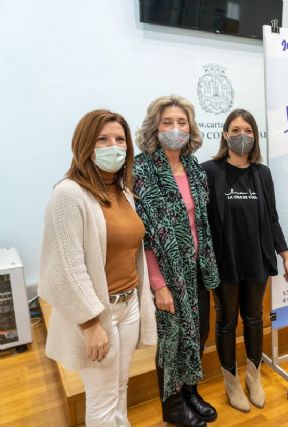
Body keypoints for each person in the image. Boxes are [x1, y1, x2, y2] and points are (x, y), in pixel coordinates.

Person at [39, 110, 157, 426]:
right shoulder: (69, 194)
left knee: (119, 387)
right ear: (85, 145)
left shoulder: (123, 193)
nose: (113, 146)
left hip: (128, 305)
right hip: (97, 315)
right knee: (102, 397)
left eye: (120, 139)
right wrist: (90, 324)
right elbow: (65, 267)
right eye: (103, 139)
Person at [201, 109, 288, 412]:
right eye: (236, 129)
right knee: (227, 322)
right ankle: (231, 382)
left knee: (254, 318)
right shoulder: (209, 171)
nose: (243, 135)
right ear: (225, 134)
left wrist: (285, 254)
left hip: (257, 259)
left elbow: (272, 218)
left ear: (255, 136)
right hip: (225, 261)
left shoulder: (261, 173)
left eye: (249, 130)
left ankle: (254, 377)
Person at [134, 95, 219, 427]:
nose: (175, 129)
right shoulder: (142, 169)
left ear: (191, 127)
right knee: (172, 339)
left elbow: (202, 222)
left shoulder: (194, 168)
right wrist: (158, 285)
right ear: (155, 126)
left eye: (181, 122)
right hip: (168, 276)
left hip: (197, 268)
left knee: (198, 333)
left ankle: (190, 392)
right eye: (167, 122)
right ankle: (172, 406)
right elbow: (146, 235)